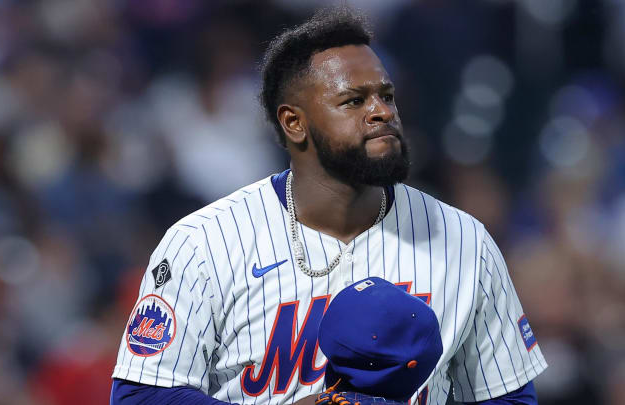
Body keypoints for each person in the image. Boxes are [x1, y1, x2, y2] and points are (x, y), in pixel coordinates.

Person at [110, 6, 547, 405]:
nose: (381, 112)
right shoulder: (203, 243)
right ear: (294, 122)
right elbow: (140, 397)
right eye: (353, 101)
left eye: (386, 96)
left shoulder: (465, 240)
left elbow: (508, 398)